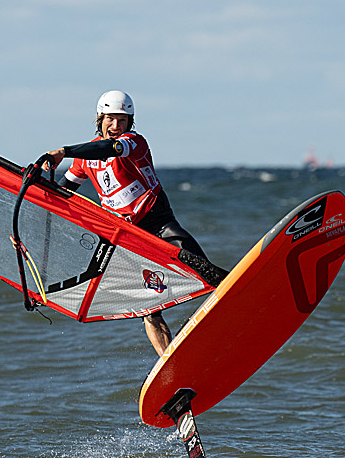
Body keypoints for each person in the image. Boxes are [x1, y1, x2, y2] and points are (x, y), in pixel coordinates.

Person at [43, 90, 227, 356]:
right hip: (129, 238)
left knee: (204, 270)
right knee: (150, 310)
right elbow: (62, 193)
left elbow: (110, 149)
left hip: (158, 223)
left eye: (122, 120)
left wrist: (64, 151)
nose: (116, 125)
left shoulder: (134, 142)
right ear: (99, 118)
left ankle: (235, 305)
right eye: (110, 119)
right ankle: (169, 361)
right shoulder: (84, 160)